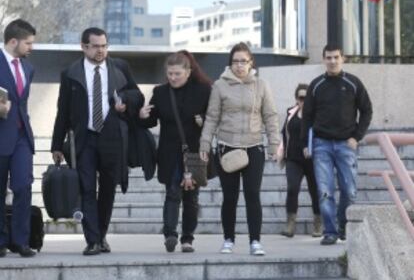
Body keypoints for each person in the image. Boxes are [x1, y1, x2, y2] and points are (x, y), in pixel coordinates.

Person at [51, 27, 143, 255]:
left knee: (108, 189)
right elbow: (62, 111)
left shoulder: (120, 67)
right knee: (87, 189)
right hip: (85, 139)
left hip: (112, 137)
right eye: (96, 46)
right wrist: (56, 145)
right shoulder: (70, 73)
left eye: (104, 46)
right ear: (84, 47)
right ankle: (92, 240)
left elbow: (137, 95)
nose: (101, 51)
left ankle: (101, 236)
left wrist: (126, 102)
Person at [199, 42, 279, 256]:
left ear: (251, 62)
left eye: (243, 61)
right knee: (230, 197)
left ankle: (255, 241)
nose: (239, 65)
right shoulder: (219, 86)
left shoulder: (261, 85)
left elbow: (270, 115)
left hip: (254, 147)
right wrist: (205, 143)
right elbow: (212, 117)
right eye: (235, 61)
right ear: (230, 64)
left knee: (253, 195)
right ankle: (228, 240)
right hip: (227, 147)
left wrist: (274, 143)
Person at [139, 51, 212, 253]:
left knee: (191, 198)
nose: (172, 77)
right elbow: (151, 120)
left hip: (195, 152)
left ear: (188, 72)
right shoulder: (161, 92)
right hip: (170, 153)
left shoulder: (204, 90)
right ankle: (170, 234)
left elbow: (215, 116)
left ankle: (188, 239)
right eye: (170, 73)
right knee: (172, 193)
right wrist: (143, 115)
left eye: (177, 73)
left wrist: (204, 119)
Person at [301, 44, 373, 245]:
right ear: (323, 59)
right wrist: (305, 143)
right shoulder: (316, 85)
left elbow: (367, 110)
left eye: (336, 57)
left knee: (349, 191)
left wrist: (356, 137)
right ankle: (330, 231)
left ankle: (343, 226)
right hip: (321, 144)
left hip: (346, 145)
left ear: (343, 59)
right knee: (325, 192)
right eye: (328, 58)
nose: (332, 61)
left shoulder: (353, 83)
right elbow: (306, 117)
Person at [0, 19, 37, 258]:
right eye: (28, 43)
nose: (31, 47)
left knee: (23, 186)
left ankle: (21, 241)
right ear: (13, 41)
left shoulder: (28, 68)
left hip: (22, 135)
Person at [277, 84, 321, 238]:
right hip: (293, 158)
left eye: (306, 97)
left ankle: (318, 223)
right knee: (292, 188)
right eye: (301, 98)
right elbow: (284, 133)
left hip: (313, 159)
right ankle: (290, 224)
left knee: (315, 191)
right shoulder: (291, 113)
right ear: (297, 99)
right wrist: (281, 151)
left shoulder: (317, 114)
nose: (303, 101)